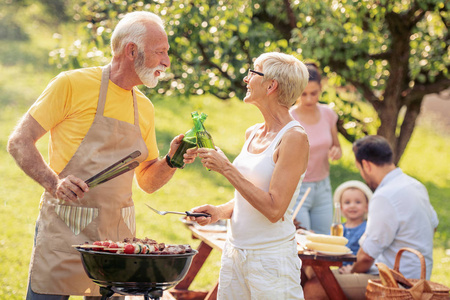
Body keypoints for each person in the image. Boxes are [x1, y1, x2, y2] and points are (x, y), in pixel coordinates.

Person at [7, 11, 195, 299]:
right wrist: (53, 182)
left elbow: (147, 182)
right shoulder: (71, 84)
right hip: (64, 228)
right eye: (160, 52)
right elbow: (19, 141)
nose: (166, 62)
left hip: (116, 241)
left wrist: (171, 161)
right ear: (132, 51)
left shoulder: (144, 107)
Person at [187, 52, 309, 299]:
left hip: (270, 261)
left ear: (271, 85)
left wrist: (227, 169)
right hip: (235, 253)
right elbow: (251, 194)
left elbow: (275, 210)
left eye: (253, 72)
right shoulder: (252, 133)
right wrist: (220, 212)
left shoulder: (294, 138)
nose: (246, 78)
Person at [304, 135, 439, 300]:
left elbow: (366, 257)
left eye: (359, 169)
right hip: (419, 277)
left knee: (314, 287)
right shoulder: (415, 185)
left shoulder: (385, 195)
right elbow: (433, 225)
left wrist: (352, 271)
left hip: (395, 281)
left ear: (366, 165)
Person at [289, 63, 342, 234]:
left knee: (323, 243)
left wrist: (336, 151)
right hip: (297, 188)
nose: (309, 99)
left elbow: (336, 146)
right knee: (303, 244)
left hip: (323, 188)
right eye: (303, 94)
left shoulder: (328, 114)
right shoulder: (289, 118)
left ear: (321, 88)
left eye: (314, 93)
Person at [334, 180, 372, 266]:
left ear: (366, 207)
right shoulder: (338, 228)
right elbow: (328, 243)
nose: (352, 206)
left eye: (358, 202)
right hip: (338, 268)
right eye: (347, 202)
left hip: (357, 269)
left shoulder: (367, 228)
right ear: (341, 207)